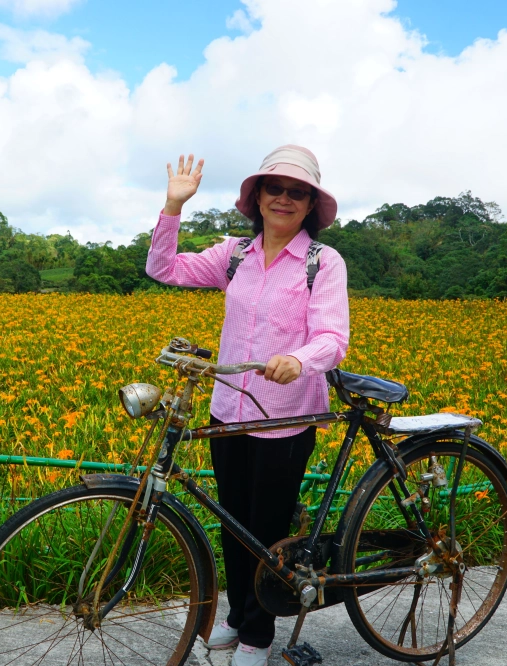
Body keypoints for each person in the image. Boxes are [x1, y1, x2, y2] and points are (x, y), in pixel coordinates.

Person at [145, 145, 350, 666]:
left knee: (266, 535)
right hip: (228, 412)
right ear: (257, 196)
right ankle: (238, 618)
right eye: (274, 188)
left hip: (286, 418)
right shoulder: (233, 255)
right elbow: (163, 268)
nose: (283, 198)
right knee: (233, 524)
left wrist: (298, 359)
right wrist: (174, 207)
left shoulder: (321, 263)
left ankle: (258, 639)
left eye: (296, 192)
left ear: (310, 206)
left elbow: (332, 339)